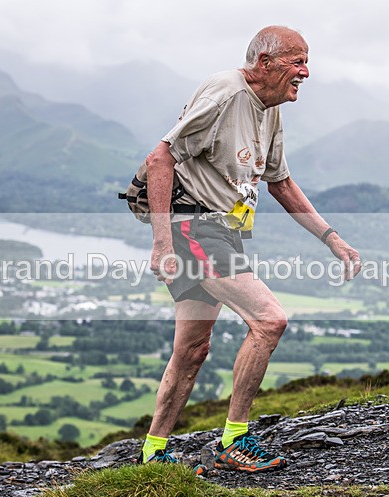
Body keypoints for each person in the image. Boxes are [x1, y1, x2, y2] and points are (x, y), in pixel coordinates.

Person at [139, 25, 361, 472]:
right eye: (297, 62)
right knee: (269, 320)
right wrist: (162, 242)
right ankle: (233, 441)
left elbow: (279, 181)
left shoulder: (270, 107)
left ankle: (153, 454)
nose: (307, 72)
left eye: (306, 60)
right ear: (265, 63)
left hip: (223, 228)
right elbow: (159, 159)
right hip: (194, 228)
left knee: (193, 348)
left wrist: (331, 237)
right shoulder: (226, 93)